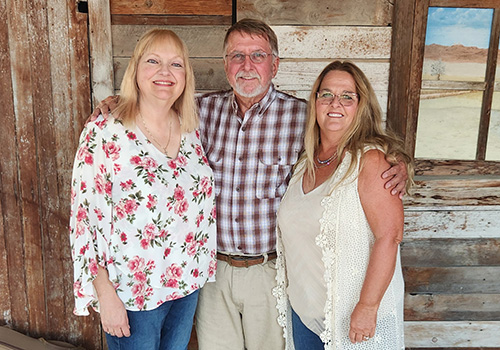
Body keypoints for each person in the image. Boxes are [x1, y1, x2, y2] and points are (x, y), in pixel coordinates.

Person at [92, 19, 409, 350]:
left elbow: (356, 136)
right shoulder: (198, 112)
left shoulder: (305, 117)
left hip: (269, 272)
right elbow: (151, 109)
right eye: (236, 56)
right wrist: (117, 103)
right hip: (212, 272)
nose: (246, 66)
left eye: (258, 55)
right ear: (225, 65)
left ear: (275, 64)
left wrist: (398, 162)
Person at [69, 29, 217, 350]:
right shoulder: (106, 131)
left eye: (175, 64)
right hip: (132, 293)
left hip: (185, 283)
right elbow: (84, 220)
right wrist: (104, 294)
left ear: (186, 75)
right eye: (153, 61)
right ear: (135, 70)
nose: (165, 73)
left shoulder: (190, 128)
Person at [274, 60, 414, 350]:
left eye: (347, 96)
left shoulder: (371, 161)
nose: (335, 103)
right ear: (314, 103)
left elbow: (390, 236)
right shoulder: (305, 163)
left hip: (352, 319)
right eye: (326, 94)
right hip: (304, 315)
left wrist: (368, 306)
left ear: (361, 105)